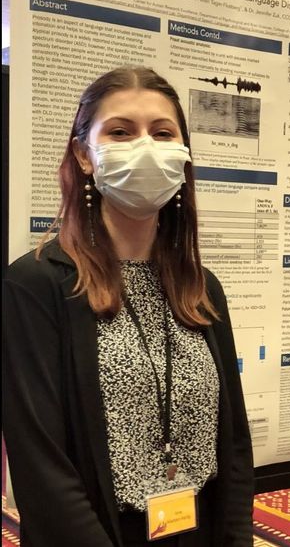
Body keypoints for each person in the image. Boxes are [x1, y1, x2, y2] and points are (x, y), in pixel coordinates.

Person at [3, 66, 254, 546]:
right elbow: (41, 465)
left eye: (162, 133)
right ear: (84, 155)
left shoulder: (201, 287)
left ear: (183, 154)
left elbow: (235, 445)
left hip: (198, 530)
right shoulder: (36, 284)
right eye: (120, 132)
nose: (145, 147)